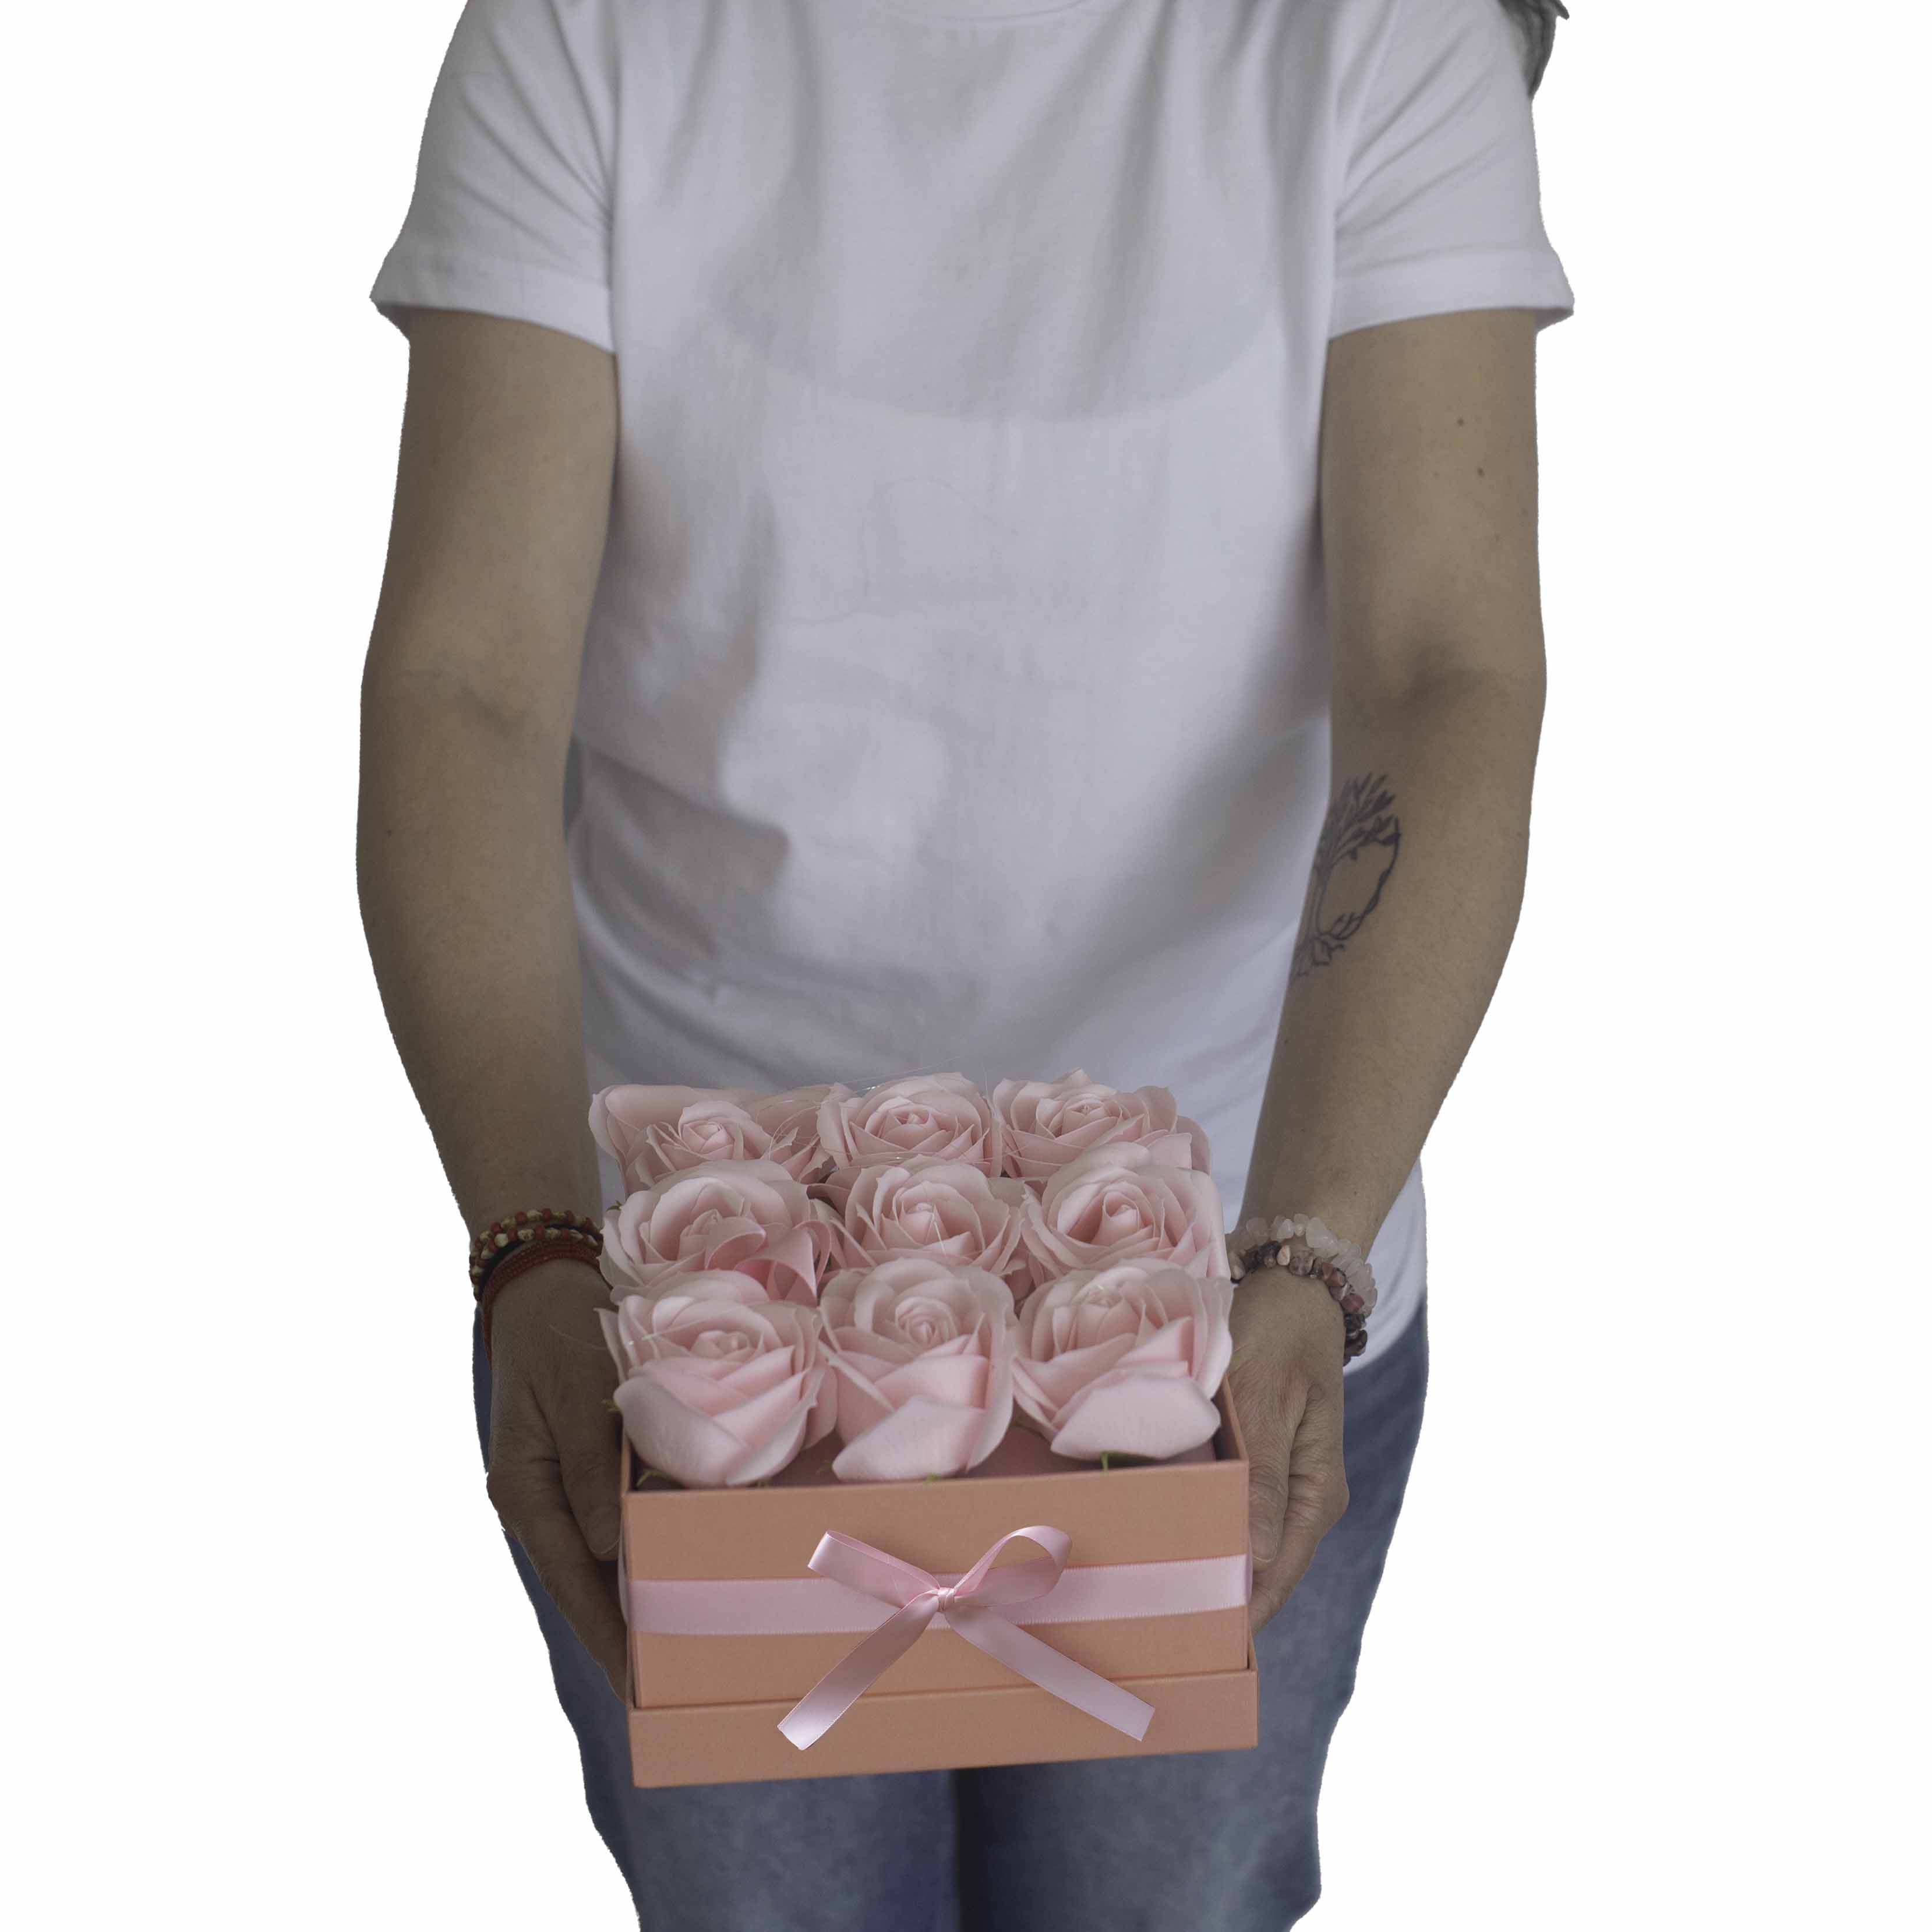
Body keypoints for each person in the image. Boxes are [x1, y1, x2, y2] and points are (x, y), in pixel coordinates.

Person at [358, 0, 1574, 1923]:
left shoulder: (1377, 40)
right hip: (689, 1334)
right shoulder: (591, 31)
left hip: (1232, 1302)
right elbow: (466, 688)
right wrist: (532, 1248)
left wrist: (1309, 1246)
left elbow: (1446, 677)